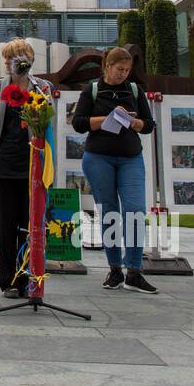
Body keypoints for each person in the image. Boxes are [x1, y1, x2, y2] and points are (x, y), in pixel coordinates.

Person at [71, 46, 158, 294]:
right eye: (120, 69)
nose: (123, 74)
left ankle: (134, 270)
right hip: (99, 158)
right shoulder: (93, 90)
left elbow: (149, 125)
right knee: (109, 212)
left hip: (130, 157)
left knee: (135, 210)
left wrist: (134, 121)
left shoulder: (134, 90)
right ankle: (115, 269)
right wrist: (107, 117)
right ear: (107, 66)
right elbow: (78, 123)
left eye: (127, 70)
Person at [0, 38, 47, 298]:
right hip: (3, 163)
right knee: (6, 225)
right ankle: (8, 280)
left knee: (29, 225)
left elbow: (47, 120)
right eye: (8, 58)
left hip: (33, 165)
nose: (12, 62)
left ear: (29, 60)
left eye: (17, 57)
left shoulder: (41, 87)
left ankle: (28, 278)